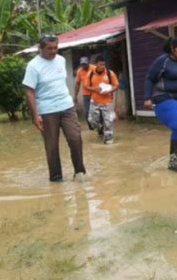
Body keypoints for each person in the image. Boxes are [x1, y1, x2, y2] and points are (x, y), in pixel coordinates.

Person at [23, 35, 86, 182]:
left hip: (66, 106)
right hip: (46, 110)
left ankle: (79, 172)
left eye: (55, 47)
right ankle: (56, 178)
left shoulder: (61, 60)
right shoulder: (33, 66)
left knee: (75, 138)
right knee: (52, 145)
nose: (53, 51)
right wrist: (35, 115)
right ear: (41, 49)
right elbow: (29, 92)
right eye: (49, 48)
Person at [144, 36, 177, 173]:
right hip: (166, 97)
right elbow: (150, 78)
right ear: (172, 48)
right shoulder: (163, 61)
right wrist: (147, 97)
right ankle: (174, 162)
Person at [84, 55, 119, 144]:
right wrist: (94, 89)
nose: (102, 66)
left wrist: (110, 90)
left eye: (104, 64)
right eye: (100, 65)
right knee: (92, 120)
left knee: (108, 122)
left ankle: (108, 140)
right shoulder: (90, 74)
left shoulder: (110, 73)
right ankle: (100, 128)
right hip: (94, 101)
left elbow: (116, 85)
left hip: (107, 102)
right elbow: (86, 86)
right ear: (96, 65)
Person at [74, 56, 95, 129]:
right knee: (87, 113)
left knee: (97, 111)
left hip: (95, 93)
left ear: (88, 63)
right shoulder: (79, 71)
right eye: (82, 64)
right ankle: (91, 127)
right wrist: (75, 95)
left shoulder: (94, 68)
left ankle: (99, 127)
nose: (84, 66)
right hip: (86, 95)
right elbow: (77, 84)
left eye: (85, 64)